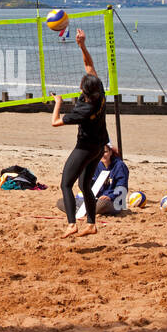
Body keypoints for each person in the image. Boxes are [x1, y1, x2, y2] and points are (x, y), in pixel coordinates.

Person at [50, 28, 108, 237]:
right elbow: (89, 65)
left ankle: (72, 223)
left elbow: (55, 122)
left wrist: (58, 103)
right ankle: (91, 224)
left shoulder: (83, 109)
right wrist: (82, 45)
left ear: (84, 91)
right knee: (84, 185)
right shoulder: (99, 92)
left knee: (65, 184)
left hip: (85, 148)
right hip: (99, 146)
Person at [56, 141, 127, 217]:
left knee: (102, 204)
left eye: (105, 152)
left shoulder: (119, 166)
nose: (102, 155)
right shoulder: (96, 164)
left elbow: (122, 187)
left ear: (110, 152)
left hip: (113, 201)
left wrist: (110, 196)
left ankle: (85, 211)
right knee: (61, 202)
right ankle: (84, 211)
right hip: (95, 200)